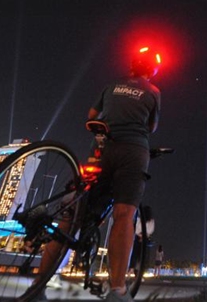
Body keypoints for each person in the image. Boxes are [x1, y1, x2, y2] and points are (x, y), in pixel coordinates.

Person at [35, 46, 161, 302]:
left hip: (102, 149)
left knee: (73, 215)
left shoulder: (111, 85)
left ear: (132, 66)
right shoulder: (153, 91)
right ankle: (117, 291)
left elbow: (92, 115)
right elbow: (152, 126)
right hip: (133, 150)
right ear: (152, 70)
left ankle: (37, 287)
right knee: (124, 215)